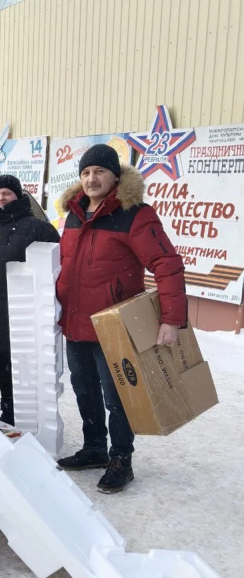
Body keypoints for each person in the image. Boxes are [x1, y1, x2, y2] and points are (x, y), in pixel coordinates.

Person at [55, 144, 187, 494]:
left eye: (98, 171)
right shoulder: (72, 214)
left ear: (115, 176)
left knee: (118, 397)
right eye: (85, 173)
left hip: (113, 327)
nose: (91, 178)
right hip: (75, 323)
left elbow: (167, 264)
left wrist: (171, 319)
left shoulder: (135, 214)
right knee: (84, 391)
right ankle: (95, 448)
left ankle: (121, 460)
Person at [0, 175, 60, 426]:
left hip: (22, 315)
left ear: (18, 197)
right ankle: (9, 414)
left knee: (25, 370)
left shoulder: (37, 229)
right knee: (4, 366)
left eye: (6, 193)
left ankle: (30, 418)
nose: (0, 197)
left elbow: (55, 270)